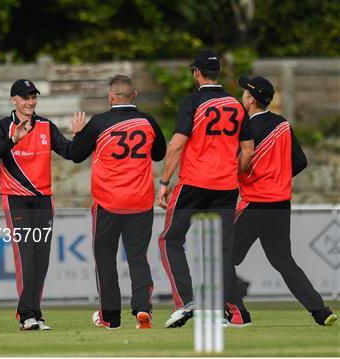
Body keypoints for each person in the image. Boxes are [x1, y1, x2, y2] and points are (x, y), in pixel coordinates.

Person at [224, 76, 337, 326]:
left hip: (256, 202)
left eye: (245, 92)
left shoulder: (245, 128)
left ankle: (237, 314)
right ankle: (321, 311)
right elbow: (300, 162)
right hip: (280, 203)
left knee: (222, 254)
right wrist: (278, 179)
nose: (243, 95)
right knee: (283, 261)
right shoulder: (282, 124)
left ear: (251, 99)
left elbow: (237, 165)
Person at [156, 50, 254, 328]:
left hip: (194, 184)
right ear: (218, 73)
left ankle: (187, 302)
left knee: (170, 240)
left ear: (196, 73)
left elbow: (176, 144)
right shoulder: (236, 105)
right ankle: (222, 313)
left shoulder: (192, 101)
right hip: (225, 186)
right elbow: (248, 151)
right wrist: (230, 172)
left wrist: (164, 183)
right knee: (222, 249)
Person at [68, 75, 166, 329]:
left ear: (111, 97)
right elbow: (160, 154)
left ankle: (110, 318)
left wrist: (79, 134)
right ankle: (143, 308)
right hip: (140, 202)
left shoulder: (99, 123)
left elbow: (76, 155)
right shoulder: (147, 121)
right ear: (134, 95)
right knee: (138, 258)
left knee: (105, 259)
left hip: (108, 202)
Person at [0, 79, 77, 331]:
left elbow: (70, 153)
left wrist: (80, 137)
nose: (30, 102)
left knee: (41, 259)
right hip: (16, 199)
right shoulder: (2, 127)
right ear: (13, 100)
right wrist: (13, 140)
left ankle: (34, 312)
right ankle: (26, 315)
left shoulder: (46, 125)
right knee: (26, 257)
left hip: (43, 200)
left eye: (33, 97)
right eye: (25, 98)